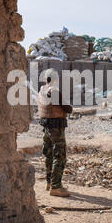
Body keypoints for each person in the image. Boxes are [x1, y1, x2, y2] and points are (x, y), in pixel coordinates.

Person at [37, 69, 73, 197]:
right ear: (55, 79)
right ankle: (56, 187)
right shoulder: (54, 90)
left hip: (46, 126)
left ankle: (49, 183)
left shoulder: (41, 90)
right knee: (60, 156)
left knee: (49, 154)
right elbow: (67, 108)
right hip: (56, 127)